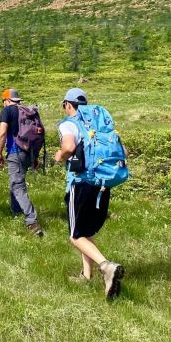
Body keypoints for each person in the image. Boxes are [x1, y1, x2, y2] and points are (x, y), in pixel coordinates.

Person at [54, 88, 124, 299]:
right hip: (102, 183)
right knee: (87, 233)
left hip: (80, 183)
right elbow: (123, 152)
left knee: (75, 236)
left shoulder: (69, 123)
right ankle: (86, 276)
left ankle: (106, 266)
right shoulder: (100, 125)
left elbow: (68, 146)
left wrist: (60, 155)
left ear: (68, 104)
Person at [0, 88, 43, 236]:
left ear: (6, 100)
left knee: (17, 186)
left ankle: (32, 221)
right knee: (15, 182)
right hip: (30, 152)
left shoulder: (8, 110)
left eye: (3, 101)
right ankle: (16, 212)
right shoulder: (28, 111)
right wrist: (35, 157)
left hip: (16, 152)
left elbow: (3, 132)